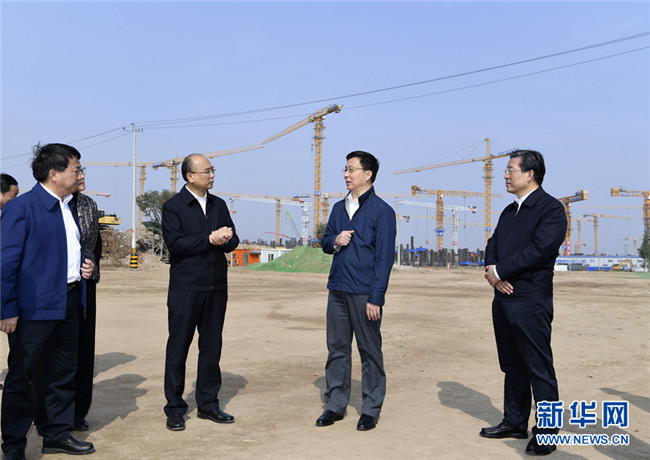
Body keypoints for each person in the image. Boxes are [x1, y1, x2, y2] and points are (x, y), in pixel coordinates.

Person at [1, 143, 96, 458]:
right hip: (33, 308)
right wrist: (7, 309)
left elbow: (67, 251)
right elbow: (5, 264)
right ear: (54, 174)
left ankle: (55, 433)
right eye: (76, 169)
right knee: (22, 377)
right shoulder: (21, 208)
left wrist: (84, 266)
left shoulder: (68, 206)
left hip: (68, 301)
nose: (81, 174)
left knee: (62, 372)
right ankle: (14, 446)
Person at [480, 150, 567, 456]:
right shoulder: (509, 211)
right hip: (503, 298)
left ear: (530, 174)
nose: (505, 175)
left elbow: (540, 250)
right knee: (512, 365)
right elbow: (492, 244)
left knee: (538, 368)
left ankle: (547, 433)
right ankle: (515, 421)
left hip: (531, 299)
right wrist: (493, 273)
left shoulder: (550, 209)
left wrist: (502, 271)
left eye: (510, 170)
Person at [317, 150, 396, 431]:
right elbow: (325, 241)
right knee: (337, 349)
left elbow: (384, 259)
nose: (346, 174)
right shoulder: (339, 208)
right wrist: (335, 240)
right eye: (345, 169)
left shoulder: (382, 212)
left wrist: (376, 298)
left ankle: (371, 408)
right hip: (338, 289)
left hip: (364, 293)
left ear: (368, 174)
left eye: (351, 169)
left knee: (369, 351)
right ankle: (335, 405)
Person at [161, 154, 239, 432]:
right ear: (190, 176)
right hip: (186, 289)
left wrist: (226, 238)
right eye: (206, 171)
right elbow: (175, 244)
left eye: (212, 170)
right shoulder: (173, 207)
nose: (212, 175)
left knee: (211, 348)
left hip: (216, 288)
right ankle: (174, 408)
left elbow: (234, 239)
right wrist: (209, 239)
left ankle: (208, 404)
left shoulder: (218, 204)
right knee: (178, 348)